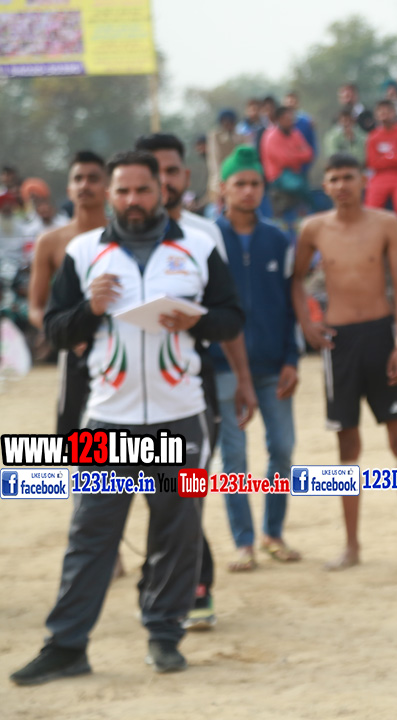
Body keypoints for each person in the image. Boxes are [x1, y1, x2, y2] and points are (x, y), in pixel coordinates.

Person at [10, 150, 243, 685]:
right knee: (91, 534)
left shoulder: (198, 248)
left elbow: (232, 319)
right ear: (111, 195)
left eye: (142, 190)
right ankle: (67, 646)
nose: (132, 200)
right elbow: (55, 331)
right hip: (106, 422)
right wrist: (89, 310)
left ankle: (164, 636)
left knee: (177, 533)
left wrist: (195, 320)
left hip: (181, 416)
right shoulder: (84, 252)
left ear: (161, 191)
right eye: (123, 191)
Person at [133, 132, 259, 632]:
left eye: (170, 170)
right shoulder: (112, 238)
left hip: (194, 383)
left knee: (187, 488)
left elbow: (227, 313)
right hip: (129, 392)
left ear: (185, 176)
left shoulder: (205, 235)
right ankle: (160, 577)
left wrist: (243, 378)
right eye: (153, 172)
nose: (162, 180)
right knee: (151, 491)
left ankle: (196, 584)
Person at [292, 153, 397, 569]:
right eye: (333, 179)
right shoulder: (312, 228)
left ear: (363, 180)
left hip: (381, 336)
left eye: (348, 177)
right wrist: (307, 324)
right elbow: (295, 280)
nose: (341, 185)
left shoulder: (385, 223)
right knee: (347, 444)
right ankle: (351, 546)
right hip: (339, 343)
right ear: (325, 186)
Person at [207, 146, 302, 571]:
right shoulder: (206, 240)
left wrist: (292, 359)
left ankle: (273, 533)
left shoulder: (278, 239)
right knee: (234, 458)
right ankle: (243, 542)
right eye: (240, 183)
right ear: (223, 188)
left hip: (273, 366)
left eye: (255, 183)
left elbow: (292, 303)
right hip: (224, 367)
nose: (248, 191)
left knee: (282, 448)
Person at [27, 152, 107, 431]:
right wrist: (67, 334)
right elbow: (36, 307)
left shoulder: (125, 237)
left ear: (108, 187)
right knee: (72, 435)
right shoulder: (50, 242)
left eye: (93, 178)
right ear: (69, 188)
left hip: (120, 345)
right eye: (78, 178)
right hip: (73, 351)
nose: (85, 185)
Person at [366, 100, 397, 252]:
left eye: (387, 111)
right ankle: (372, 247)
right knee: (371, 211)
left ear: (394, 113)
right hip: (379, 177)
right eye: (381, 111)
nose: (384, 114)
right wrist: (393, 157)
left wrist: (385, 158)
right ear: (376, 115)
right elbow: (372, 162)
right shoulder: (373, 136)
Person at [260, 106, 314, 221]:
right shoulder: (270, 136)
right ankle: (314, 211)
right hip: (278, 175)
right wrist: (297, 155)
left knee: (306, 185)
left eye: (291, 119)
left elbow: (309, 154)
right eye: (287, 119)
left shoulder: (295, 133)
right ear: (279, 119)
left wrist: (292, 155)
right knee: (299, 186)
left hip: (295, 172)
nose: (291, 122)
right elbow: (283, 160)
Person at [206, 109, 242, 207]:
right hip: (220, 180)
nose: (227, 124)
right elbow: (215, 161)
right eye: (225, 121)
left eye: (230, 121)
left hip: (237, 179)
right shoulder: (215, 136)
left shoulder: (241, 137)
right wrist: (219, 183)